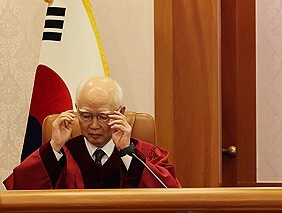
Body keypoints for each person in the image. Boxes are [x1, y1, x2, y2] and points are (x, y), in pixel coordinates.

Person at [4, 76, 181, 189]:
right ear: (76, 111)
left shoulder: (144, 153)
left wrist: (127, 152)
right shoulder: (62, 155)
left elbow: (170, 194)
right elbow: (20, 191)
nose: (94, 125)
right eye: (86, 115)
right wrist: (54, 146)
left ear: (120, 113)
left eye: (103, 117)